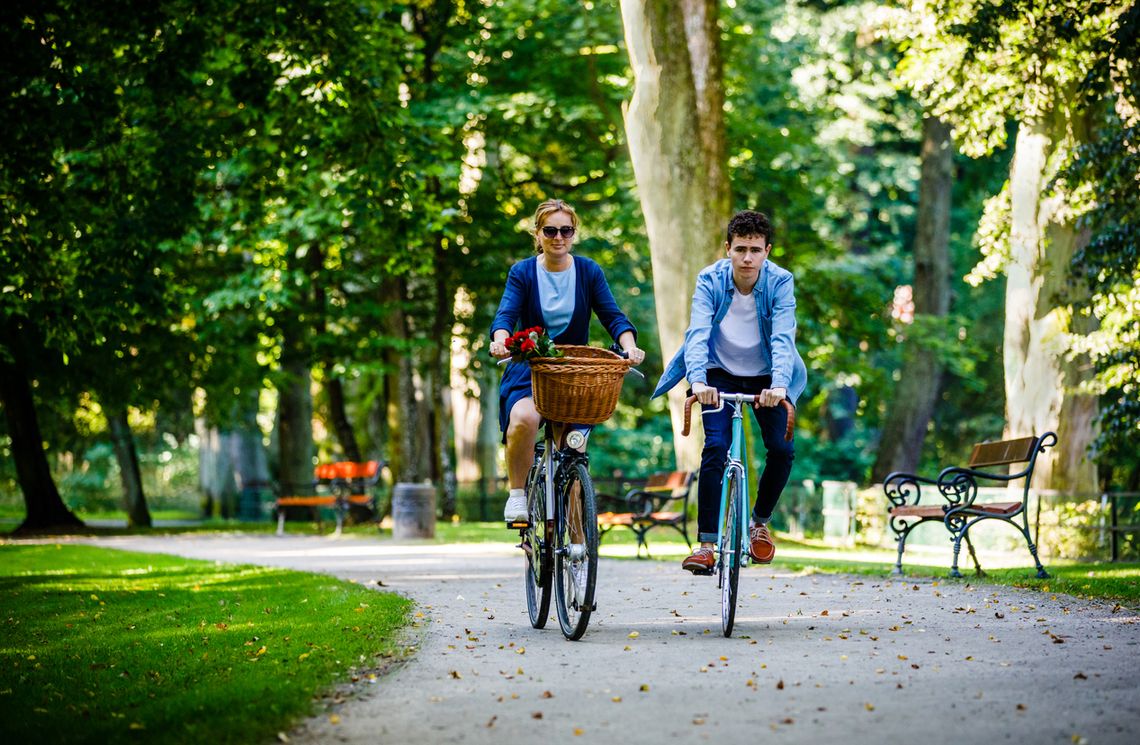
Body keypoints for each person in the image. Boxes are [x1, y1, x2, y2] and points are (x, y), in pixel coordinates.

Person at [652, 209, 807, 573]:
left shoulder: (781, 283)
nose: (748, 258)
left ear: (767, 251)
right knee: (716, 447)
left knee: (782, 450)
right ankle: (706, 544)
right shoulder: (709, 280)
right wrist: (699, 381)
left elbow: (784, 336)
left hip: (767, 377)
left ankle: (759, 524)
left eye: (755, 250)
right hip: (717, 373)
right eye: (740, 249)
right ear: (728, 249)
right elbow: (698, 333)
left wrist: (780, 385)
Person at [490, 199, 645, 522]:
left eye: (566, 230)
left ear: (574, 233)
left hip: (574, 373)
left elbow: (613, 317)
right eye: (550, 230)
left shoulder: (588, 271)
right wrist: (500, 341)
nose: (558, 237)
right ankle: (518, 495)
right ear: (538, 234)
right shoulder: (523, 272)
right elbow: (506, 314)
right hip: (531, 369)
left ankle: (577, 549)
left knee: (573, 455)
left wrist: (629, 348)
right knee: (524, 419)